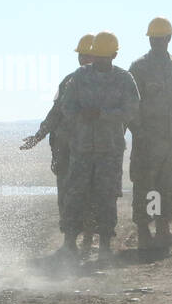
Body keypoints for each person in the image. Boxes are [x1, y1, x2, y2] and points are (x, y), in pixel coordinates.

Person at [58, 31, 140, 262]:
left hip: (110, 150)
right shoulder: (80, 76)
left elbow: (132, 109)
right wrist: (81, 116)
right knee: (75, 195)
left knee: (106, 197)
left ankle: (104, 245)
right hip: (81, 148)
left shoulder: (124, 79)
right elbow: (66, 107)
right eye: (98, 56)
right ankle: (69, 244)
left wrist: (102, 114)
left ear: (114, 54)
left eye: (106, 57)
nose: (101, 61)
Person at [21, 34, 95, 248]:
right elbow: (56, 113)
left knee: (91, 195)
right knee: (66, 196)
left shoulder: (110, 82)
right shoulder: (70, 81)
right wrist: (39, 136)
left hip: (91, 150)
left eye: (87, 55)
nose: (82, 59)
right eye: (81, 55)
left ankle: (89, 238)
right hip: (66, 150)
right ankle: (70, 241)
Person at [128, 17, 172, 250]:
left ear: (169, 39)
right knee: (148, 188)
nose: (156, 42)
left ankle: (164, 231)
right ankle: (144, 232)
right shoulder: (139, 68)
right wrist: (139, 133)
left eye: (160, 39)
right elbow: (131, 106)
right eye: (153, 39)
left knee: (169, 186)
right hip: (148, 143)